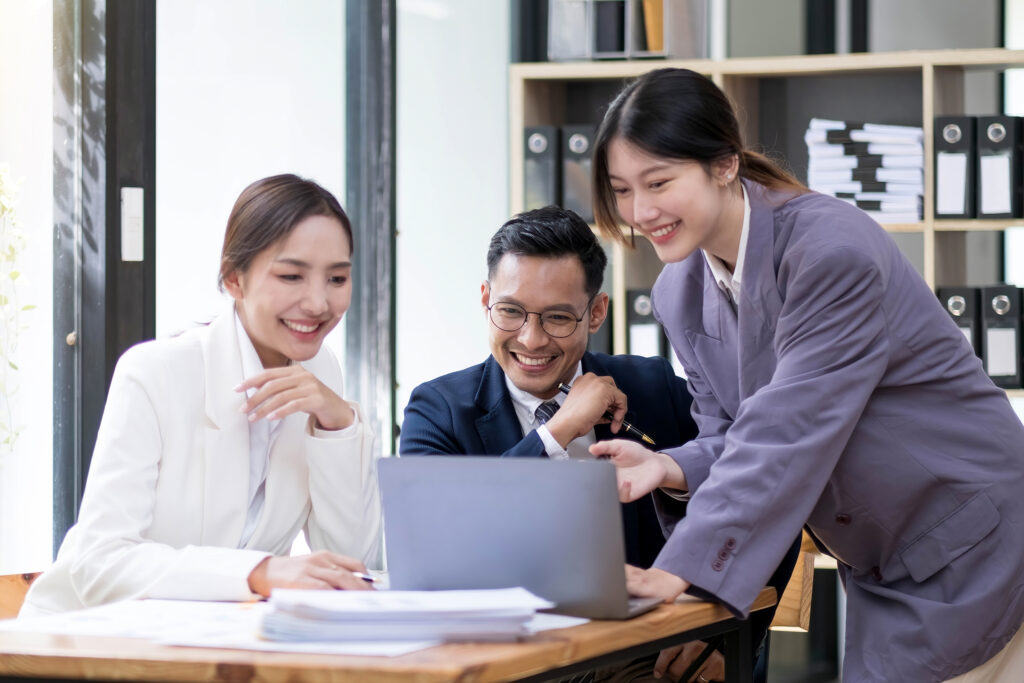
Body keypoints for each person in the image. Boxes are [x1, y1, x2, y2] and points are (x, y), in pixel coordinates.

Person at [588, 67, 1024, 683]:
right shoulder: (678, 291)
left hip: (972, 535)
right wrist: (672, 466)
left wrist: (676, 570)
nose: (641, 211)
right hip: (887, 560)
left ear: (724, 164)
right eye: (622, 190)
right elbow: (731, 432)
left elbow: (788, 423)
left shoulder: (829, 250)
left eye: (659, 182)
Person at [399, 206, 797, 682]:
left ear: (597, 313)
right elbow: (433, 547)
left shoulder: (656, 389)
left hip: (647, 652)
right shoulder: (439, 407)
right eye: (510, 311)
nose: (531, 338)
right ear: (485, 299)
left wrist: (724, 639)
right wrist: (558, 430)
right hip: (505, 662)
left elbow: (768, 493)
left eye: (558, 318)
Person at [21, 174, 381, 616]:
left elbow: (353, 560)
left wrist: (338, 425)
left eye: (337, 278)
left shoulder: (321, 373)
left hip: (216, 645)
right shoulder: (155, 373)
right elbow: (100, 564)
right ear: (233, 278)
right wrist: (260, 572)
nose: (318, 303)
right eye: (291, 276)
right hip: (84, 645)